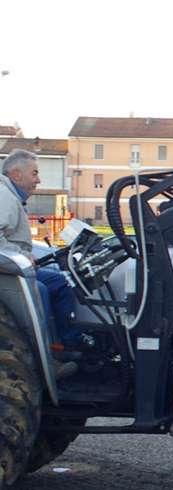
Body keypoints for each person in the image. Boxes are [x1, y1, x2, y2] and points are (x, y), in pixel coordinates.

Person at [0, 149, 85, 355]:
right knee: (41, 289)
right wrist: (23, 258)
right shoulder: (4, 197)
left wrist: (28, 256)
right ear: (17, 174)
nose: (38, 180)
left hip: (14, 266)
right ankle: (44, 353)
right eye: (35, 173)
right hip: (8, 270)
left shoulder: (12, 197)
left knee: (61, 282)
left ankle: (69, 344)